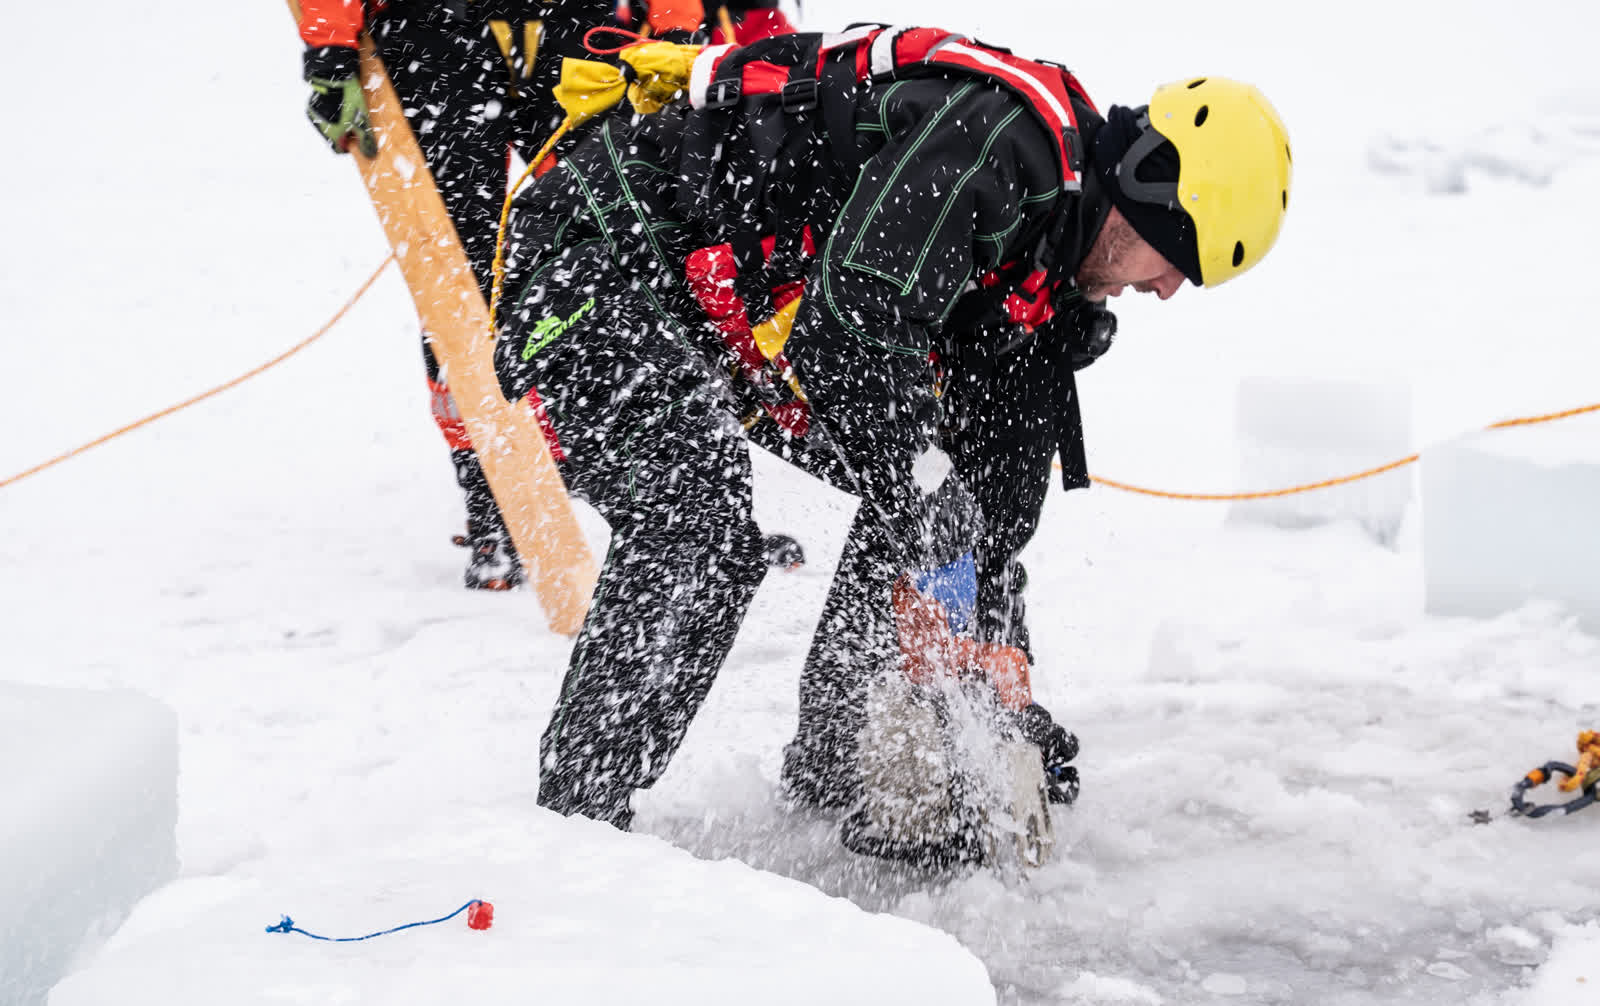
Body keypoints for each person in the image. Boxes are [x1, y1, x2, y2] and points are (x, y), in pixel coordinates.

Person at [490, 25, 1292, 830]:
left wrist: (990, 658)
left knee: (929, 504)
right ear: (1153, 192)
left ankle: (843, 767)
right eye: (1179, 258)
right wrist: (937, 548)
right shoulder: (998, 147)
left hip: (716, 317)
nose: (1169, 291)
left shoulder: (1051, 273)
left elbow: (987, 492)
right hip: (594, 258)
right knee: (701, 525)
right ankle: (576, 832)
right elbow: (849, 337)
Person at [294, 0, 798, 588]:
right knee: (461, 284)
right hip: (431, 33)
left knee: (633, 242)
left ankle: (694, 504)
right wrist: (329, 45)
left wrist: (676, 24)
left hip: (575, 23)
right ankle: (495, 508)